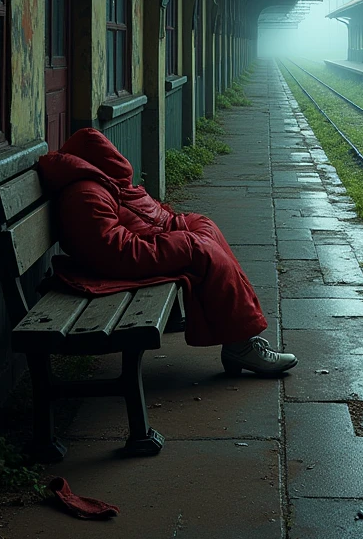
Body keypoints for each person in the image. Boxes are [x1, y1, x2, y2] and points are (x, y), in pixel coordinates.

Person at [37, 128, 297, 376]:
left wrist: (176, 227)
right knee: (200, 249)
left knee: (204, 229)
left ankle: (240, 336)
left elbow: (137, 216)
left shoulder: (100, 181)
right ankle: (241, 345)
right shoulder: (84, 194)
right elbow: (114, 252)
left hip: (135, 246)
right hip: (111, 267)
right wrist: (179, 241)